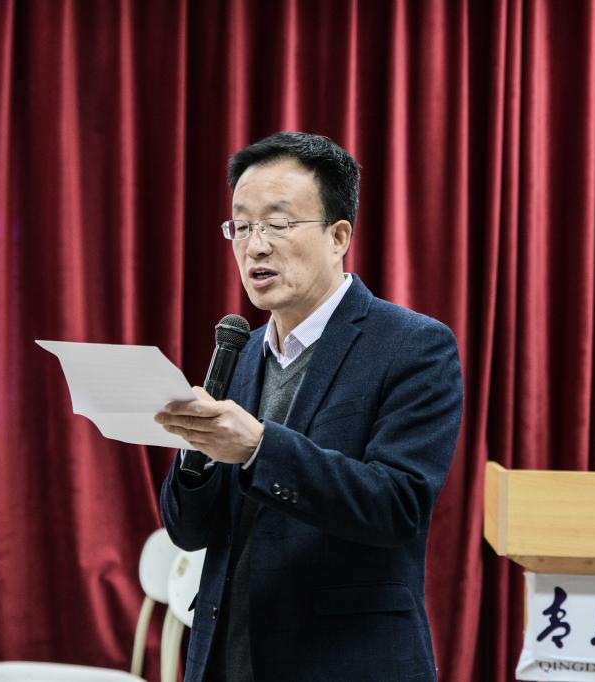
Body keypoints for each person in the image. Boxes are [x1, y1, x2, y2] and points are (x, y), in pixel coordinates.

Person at [156, 131, 463, 681]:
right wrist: (194, 456)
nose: (255, 246)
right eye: (241, 226)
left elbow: (398, 506)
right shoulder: (239, 351)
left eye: (277, 224)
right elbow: (190, 533)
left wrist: (258, 448)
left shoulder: (413, 345)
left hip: (343, 660)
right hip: (227, 656)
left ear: (338, 235)